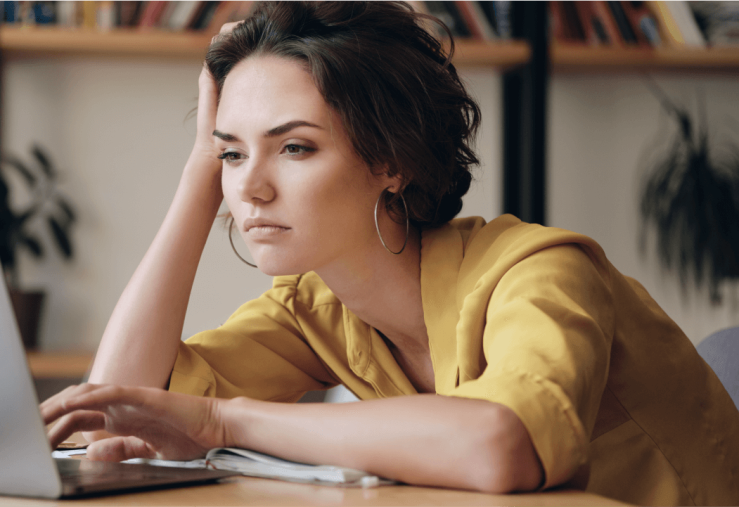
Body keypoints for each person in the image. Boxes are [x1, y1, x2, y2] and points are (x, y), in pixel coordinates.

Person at [40, 0, 739, 504]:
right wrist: (199, 173)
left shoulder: (540, 270)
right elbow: (112, 410)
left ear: (390, 161)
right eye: (232, 152)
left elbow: (502, 446)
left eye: (294, 147)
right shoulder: (314, 308)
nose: (248, 187)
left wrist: (224, 421)